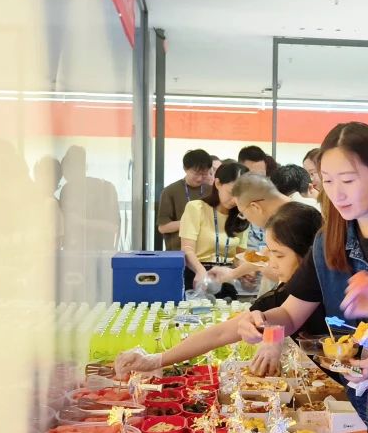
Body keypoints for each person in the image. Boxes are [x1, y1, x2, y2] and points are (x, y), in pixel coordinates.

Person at [236, 122, 368, 433]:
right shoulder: (328, 241)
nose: (337, 193)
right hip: (352, 399)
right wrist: (263, 322)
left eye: (348, 180)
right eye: (327, 180)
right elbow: (291, 313)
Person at [116, 203, 328, 376]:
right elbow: (221, 333)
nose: (270, 263)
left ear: (310, 254)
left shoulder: (331, 282)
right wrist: (156, 360)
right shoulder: (285, 294)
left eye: (279, 255)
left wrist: (274, 338)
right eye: (269, 252)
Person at [179, 161, 249, 296]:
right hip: (197, 275)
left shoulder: (242, 215)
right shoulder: (196, 208)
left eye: (241, 195)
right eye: (231, 193)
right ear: (217, 183)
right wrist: (200, 271)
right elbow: (187, 249)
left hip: (226, 278)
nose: (235, 200)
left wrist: (245, 272)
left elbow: (239, 256)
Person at [157, 149, 214, 250]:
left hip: (207, 252)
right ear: (185, 168)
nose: (200, 178)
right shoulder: (170, 191)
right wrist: (191, 222)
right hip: (179, 251)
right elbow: (163, 227)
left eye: (204, 174)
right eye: (196, 173)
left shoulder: (212, 191)